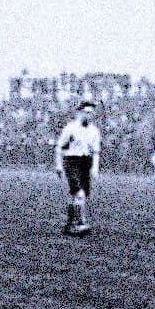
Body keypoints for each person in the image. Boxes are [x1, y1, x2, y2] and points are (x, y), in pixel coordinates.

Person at [55, 101, 101, 236]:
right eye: (86, 113)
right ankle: (81, 223)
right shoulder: (70, 128)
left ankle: (69, 223)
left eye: (91, 113)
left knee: (80, 195)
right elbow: (59, 147)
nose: (89, 116)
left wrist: (95, 168)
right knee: (78, 193)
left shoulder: (94, 131)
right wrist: (59, 165)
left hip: (85, 162)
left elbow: (96, 151)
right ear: (80, 113)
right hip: (72, 161)